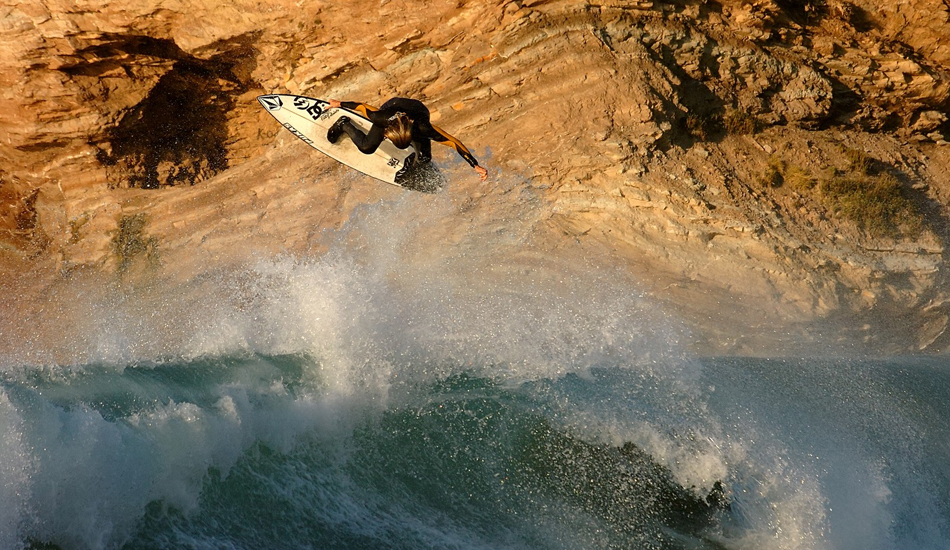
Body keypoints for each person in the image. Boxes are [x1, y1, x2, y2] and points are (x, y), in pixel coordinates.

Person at [326, 97, 488, 181]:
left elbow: (453, 142)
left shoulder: (423, 128)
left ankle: (413, 165)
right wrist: (339, 104)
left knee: (424, 158)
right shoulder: (380, 117)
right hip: (393, 106)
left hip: (416, 112)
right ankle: (344, 124)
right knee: (367, 147)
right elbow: (361, 106)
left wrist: (475, 165)